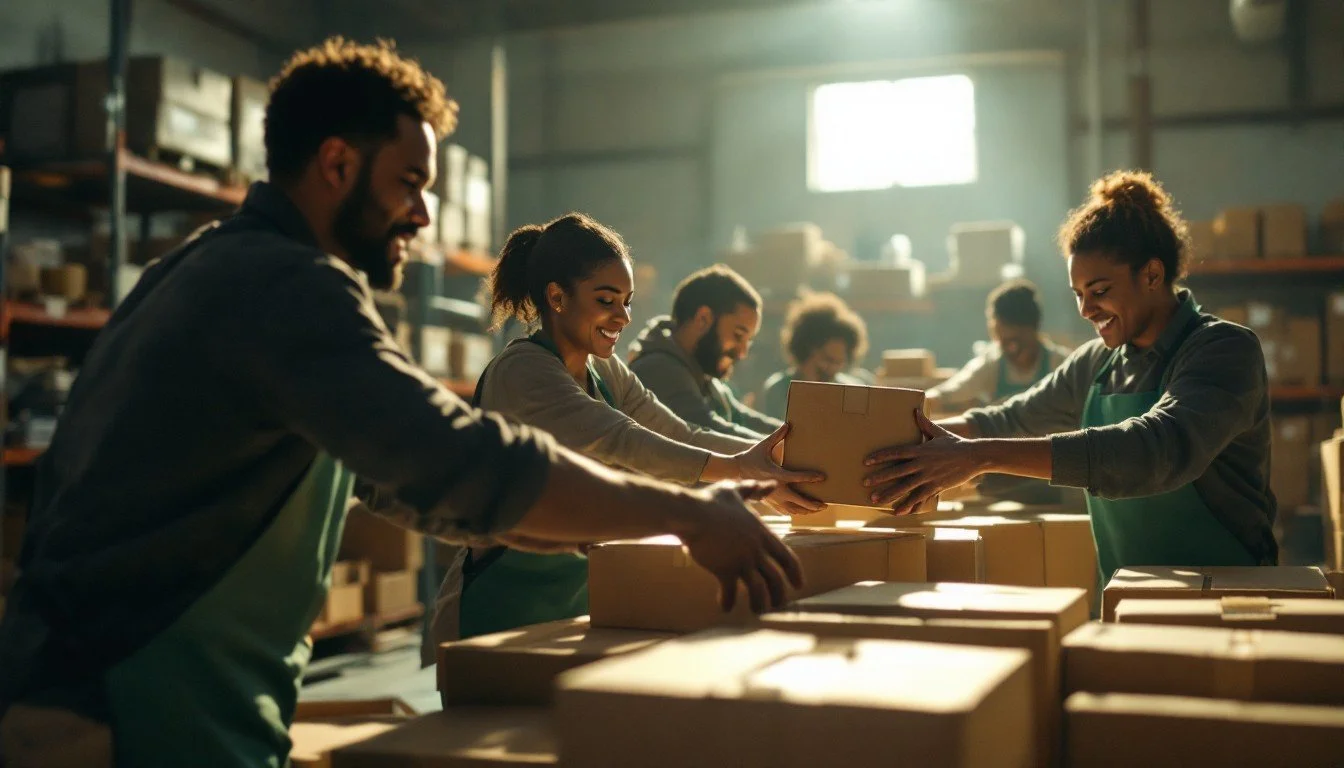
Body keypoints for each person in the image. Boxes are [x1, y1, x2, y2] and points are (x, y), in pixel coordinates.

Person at [0, 39, 801, 768]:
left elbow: (415, 487)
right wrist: (695, 517)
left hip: (147, 693)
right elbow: (458, 458)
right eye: (410, 184)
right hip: (121, 702)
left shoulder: (200, 270)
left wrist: (601, 529)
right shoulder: (284, 287)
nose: (422, 215)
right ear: (337, 163)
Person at [427, 214, 826, 645]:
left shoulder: (604, 367)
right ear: (557, 297)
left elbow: (679, 432)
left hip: (572, 596)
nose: (623, 316)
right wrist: (739, 470)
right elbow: (621, 440)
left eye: (627, 301)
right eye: (606, 300)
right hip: (498, 604)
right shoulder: (523, 370)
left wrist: (765, 465)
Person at [863, 170, 1277, 583]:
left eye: (1098, 291)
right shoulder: (1096, 362)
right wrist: (898, 443)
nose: (1085, 311)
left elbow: (1156, 450)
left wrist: (977, 456)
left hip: (1225, 594)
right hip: (1127, 596)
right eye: (1078, 295)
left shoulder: (1222, 350)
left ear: (1152, 275)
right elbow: (1007, 420)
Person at [628, 265, 781, 440]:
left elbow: (742, 418)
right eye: (738, 335)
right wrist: (784, 451)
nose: (742, 353)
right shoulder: (658, 368)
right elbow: (708, 432)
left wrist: (795, 436)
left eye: (748, 342)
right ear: (703, 319)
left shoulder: (702, 371)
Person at [926, 280, 1072, 412]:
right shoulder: (992, 365)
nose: (1011, 349)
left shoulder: (1062, 366)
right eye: (1003, 342)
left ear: (1034, 329)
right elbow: (947, 393)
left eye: (1016, 341)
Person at [759, 292, 870, 420]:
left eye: (839, 362)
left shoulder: (853, 391)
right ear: (806, 349)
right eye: (828, 359)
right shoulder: (777, 390)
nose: (833, 368)